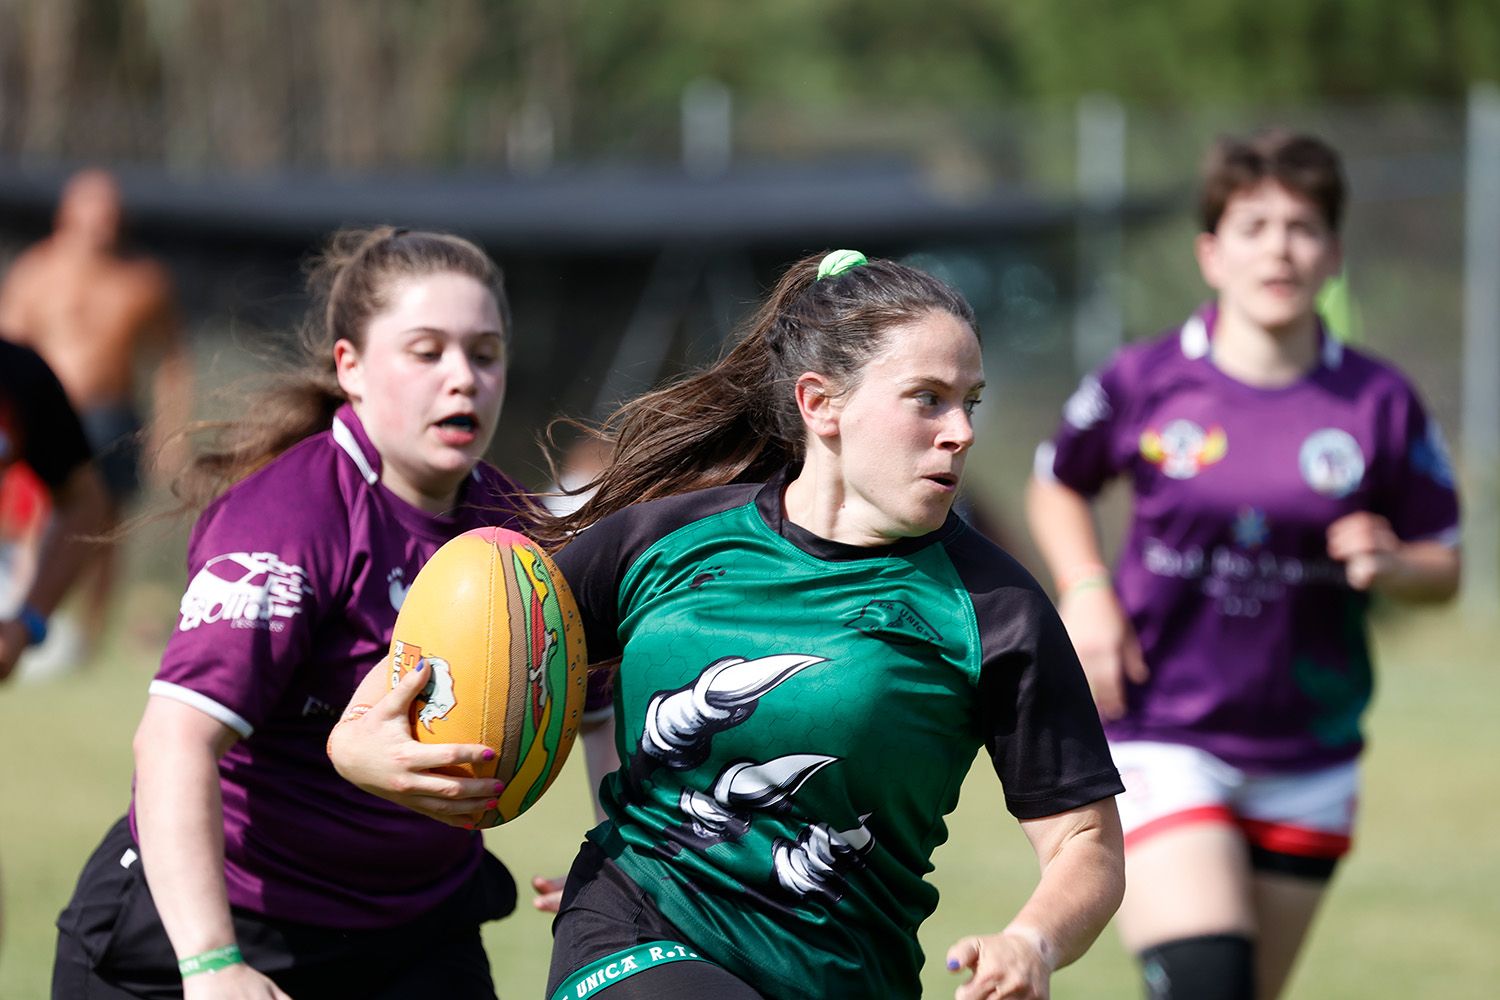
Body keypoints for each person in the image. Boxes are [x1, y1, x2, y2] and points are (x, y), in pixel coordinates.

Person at [330, 249, 1127, 1000]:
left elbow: (1084, 843)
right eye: (928, 398)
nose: (962, 431)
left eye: (970, 402)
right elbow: (477, 643)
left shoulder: (995, 608)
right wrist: (357, 743)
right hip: (631, 925)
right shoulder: (666, 539)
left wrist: (1032, 943)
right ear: (820, 404)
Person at [1026, 131, 1461, 1000]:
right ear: (1211, 253)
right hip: (1162, 728)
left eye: (1302, 228)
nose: (1279, 250)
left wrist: (1391, 560)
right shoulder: (1147, 378)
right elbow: (1057, 481)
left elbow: (1443, 567)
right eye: (1253, 226)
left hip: (1310, 751)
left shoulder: (1380, 402)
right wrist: (1086, 592)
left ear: (1334, 253)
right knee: (1208, 981)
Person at [52, 227, 533, 999]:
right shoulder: (287, 520)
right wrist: (212, 964)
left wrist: (609, 855)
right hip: (219, 922)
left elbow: (594, 705)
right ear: (351, 368)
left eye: (485, 353)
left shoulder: (514, 531)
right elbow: (174, 740)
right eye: (427, 351)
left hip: (416, 938)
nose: (463, 378)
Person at [0, 167, 193, 650]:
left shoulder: (143, 281)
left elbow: (171, 362)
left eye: (110, 213)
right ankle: (23, 618)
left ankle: (89, 635)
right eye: (91, 210)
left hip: (112, 416)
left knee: (106, 526)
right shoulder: (35, 273)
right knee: (35, 519)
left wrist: (173, 433)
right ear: (67, 212)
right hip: (42, 419)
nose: (100, 222)